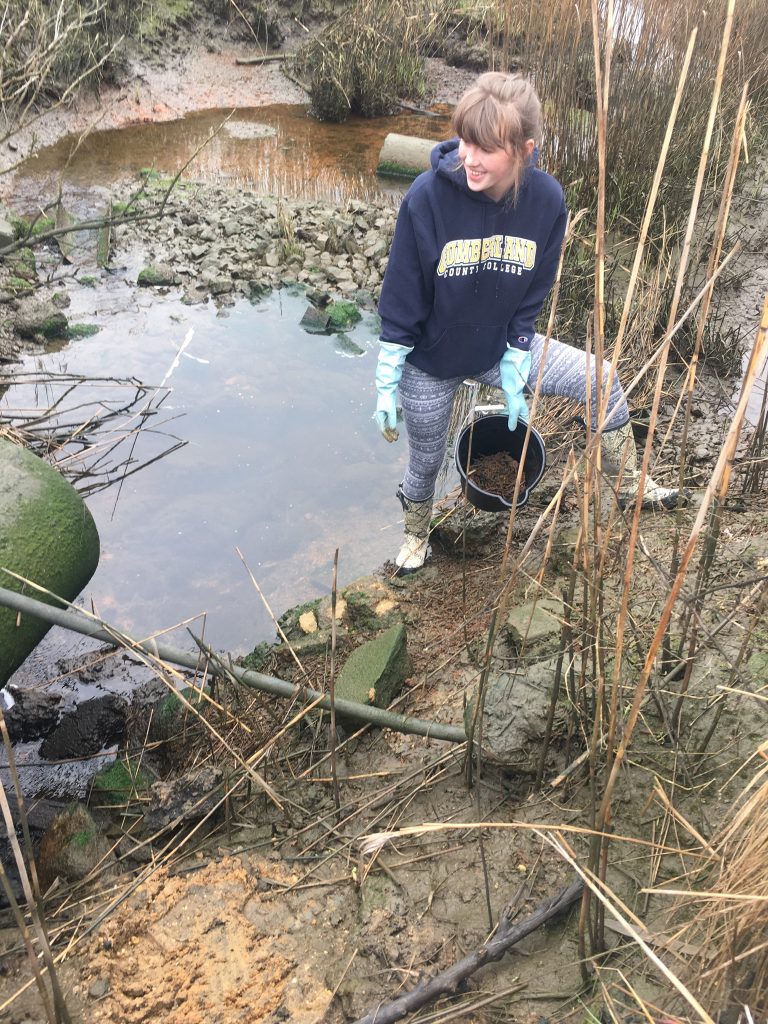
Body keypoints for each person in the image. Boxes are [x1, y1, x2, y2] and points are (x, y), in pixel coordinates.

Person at [374, 72, 684, 575]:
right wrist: (389, 370)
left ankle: (629, 486)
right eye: (466, 142)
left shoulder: (546, 202)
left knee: (600, 378)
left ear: (524, 148)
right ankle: (415, 534)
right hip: (429, 361)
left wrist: (519, 347)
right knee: (425, 461)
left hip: (500, 350)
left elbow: (534, 287)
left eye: (486, 148)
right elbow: (402, 295)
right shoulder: (426, 198)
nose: (469, 158)